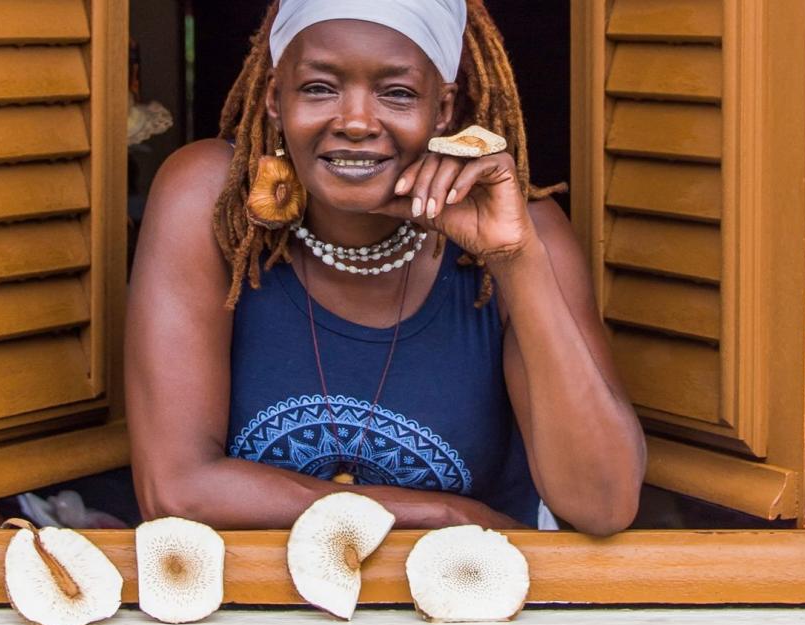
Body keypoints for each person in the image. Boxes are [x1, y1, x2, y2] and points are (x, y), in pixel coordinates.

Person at [125, 0, 645, 535]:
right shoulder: (211, 202)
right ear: (274, 98)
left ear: (442, 110)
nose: (354, 122)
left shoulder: (524, 230)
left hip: (470, 606)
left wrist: (515, 261)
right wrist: (442, 514)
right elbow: (177, 490)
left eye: (396, 92)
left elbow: (601, 505)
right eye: (319, 88)